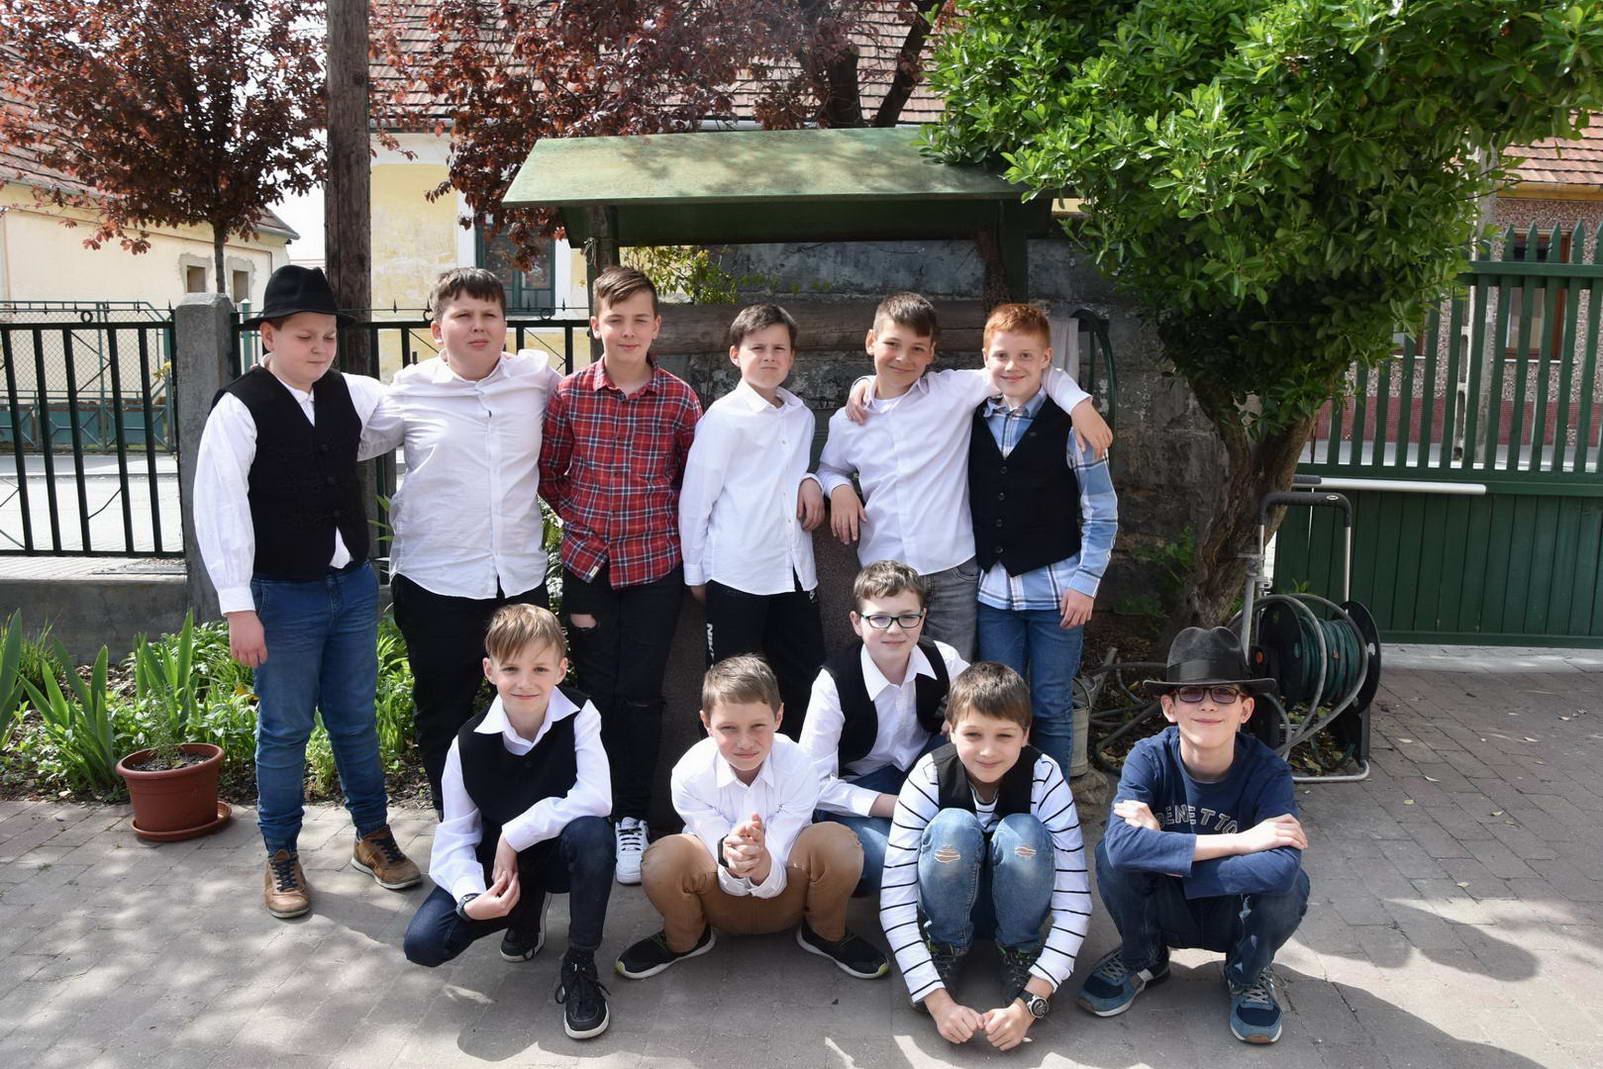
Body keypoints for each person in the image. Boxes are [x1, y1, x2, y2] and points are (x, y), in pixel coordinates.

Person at [194, 264, 421, 919]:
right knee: (285, 729)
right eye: (304, 336)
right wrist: (238, 607)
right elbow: (220, 507)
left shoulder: (350, 392)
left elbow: (404, 416)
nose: (320, 348)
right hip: (281, 595)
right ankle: (281, 854)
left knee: (355, 720)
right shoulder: (241, 406)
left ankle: (372, 835)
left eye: (328, 336)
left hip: (350, 587)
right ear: (267, 335)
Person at [816, 292, 1112, 658]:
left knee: (954, 673)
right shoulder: (848, 420)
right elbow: (830, 468)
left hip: (953, 571)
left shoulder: (950, 392)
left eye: (917, 348)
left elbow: (1027, 367)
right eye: (892, 344)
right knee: (891, 668)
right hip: (886, 568)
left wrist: (1079, 405)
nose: (903, 358)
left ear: (932, 352)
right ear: (870, 342)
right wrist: (840, 487)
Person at [362, 267, 559, 816]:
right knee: (443, 712)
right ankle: (456, 826)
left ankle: (520, 822)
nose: (479, 326)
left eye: (490, 314)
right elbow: (346, 441)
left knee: (528, 707)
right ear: (436, 328)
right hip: (436, 582)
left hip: (518, 580)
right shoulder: (409, 391)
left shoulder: (534, 380)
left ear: (505, 325)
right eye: (463, 315)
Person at [539, 265, 702, 884]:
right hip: (589, 566)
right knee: (593, 692)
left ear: (656, 326)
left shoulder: (679, 399)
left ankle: (632, 815)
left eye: (639, 320)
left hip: (656, 566)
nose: (628, 331)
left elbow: (692, 480)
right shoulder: (570, 395)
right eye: (616, 320)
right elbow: (550, 471)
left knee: (640, 693)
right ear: (595, 325)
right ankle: (593, 813)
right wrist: (585, 518)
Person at [1076, 626, 1311, 1045]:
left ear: (1245, 709)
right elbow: (1122, 847)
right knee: (1112, 857)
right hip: (1165, 909)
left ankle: (1247, 973)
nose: (1207, 704)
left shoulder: (1268, 772)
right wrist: (1243, 842)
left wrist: (1165, 854)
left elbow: (1280, 868)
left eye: (1224, 693)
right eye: (1191, 693)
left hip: (1233, 912)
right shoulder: (1148, 757)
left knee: (1290, 885)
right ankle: (1144, 957)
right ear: (1170, 707)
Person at [401, 604, 614, 1040]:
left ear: (561, 669)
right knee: (424, 942)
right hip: (502, 871)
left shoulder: (581, 714)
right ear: (489, 670)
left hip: (559, 855)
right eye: (511, 668)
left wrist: (515, 834)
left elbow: (597, 797)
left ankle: (579, 963)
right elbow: (456, 834)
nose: (525, 682)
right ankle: (523, 909)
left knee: (594, 833)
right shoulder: (466, 743)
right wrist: (469, 898)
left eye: (540, 669)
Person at [614, 655, 888, 982]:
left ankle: (825, 932)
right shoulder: (688, 774)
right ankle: (685, 938)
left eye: (758, 726)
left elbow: (781, 852)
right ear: (706, 722)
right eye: (728, 728)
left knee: (839, 843)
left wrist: (762, 861)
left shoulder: (800, 765)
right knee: (663, 858)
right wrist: (735, 857)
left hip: (789, 893)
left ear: (778, 717)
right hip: (718, 896)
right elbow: (718, 849)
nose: (745, 743)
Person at [880, 661, 1092, 1051]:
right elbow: (894, 898)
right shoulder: (928, 775)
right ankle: (945, 947)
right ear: (950, 730)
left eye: (1004, 735)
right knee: (953, 827)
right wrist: (937, 1002)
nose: (988, 751)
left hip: (1020, 903)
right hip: (946, 902)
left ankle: (1020, 950)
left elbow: (1075, 902)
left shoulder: (1045, 777)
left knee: (1024, 833)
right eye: (973, 734)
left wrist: (1030, 1005)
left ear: (1026, 734)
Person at [970, 302, 1119, 778]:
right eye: (1001, 356)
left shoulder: (1071, 425)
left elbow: (1101, 512)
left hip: (1058, 594)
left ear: (1046, 360)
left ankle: (1051, 799)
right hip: (994, 594)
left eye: (1025, 356)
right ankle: (1006, 793)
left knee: (1052, 703)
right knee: (1000, 704)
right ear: (986, 358)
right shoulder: (971, 416)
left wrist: (1086, 583)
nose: (1012, 366)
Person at [678, 303, 826, 740]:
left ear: (792, 356)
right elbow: (696, 499)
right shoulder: (722, 419)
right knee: (730, 687)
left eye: (779, 348)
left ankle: (798, 772)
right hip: (737, 574)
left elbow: (794, 473)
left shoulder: (800, 415)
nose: (769, 357)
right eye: (757, 347)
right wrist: (695, 572)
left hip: (794, 573)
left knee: (804, 680)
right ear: (735, 355)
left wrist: (813, 480)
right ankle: (721, 775)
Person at [798, 560, 968, 896]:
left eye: (907, 617)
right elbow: (813, 784)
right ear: (856, 623)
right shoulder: (833, 683)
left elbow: (986, 697)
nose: (894, 630)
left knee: (968, 742)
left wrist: (965, 711)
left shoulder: (942, 657)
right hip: (861, 786)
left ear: (922, 618)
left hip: (922, 769)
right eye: (879, 618)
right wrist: (899, 805)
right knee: (893, 862)